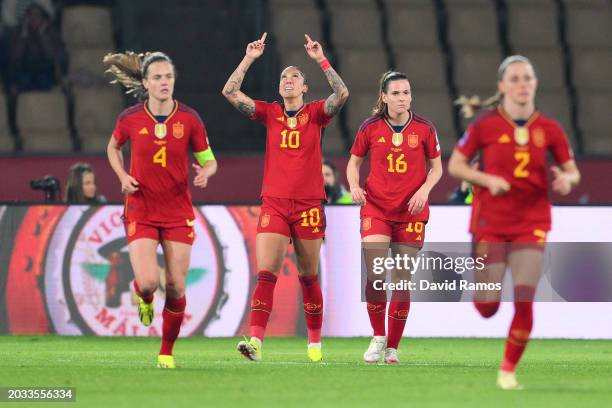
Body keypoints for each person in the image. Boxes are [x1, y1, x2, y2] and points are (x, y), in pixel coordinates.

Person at [448, 55, 580, 389]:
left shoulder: (549, 129)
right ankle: (484, 296)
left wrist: (568, 180)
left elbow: (571, 169)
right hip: (490, 222)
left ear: (535, 84)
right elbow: (456, 166)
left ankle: (507, 372)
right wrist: (486, 180)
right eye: (516, 79)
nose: (523, 84)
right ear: (502, 86)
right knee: (487, 307)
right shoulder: (485, 125)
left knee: (524, 298)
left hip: (531, 222)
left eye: (528, 78)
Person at [222, 33, 348, 362]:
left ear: (304, 88)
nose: (288, 79)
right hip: (275, 202)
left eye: (295, 76)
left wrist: (320, 58)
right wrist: (250, 57)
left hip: (308, 204)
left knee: (308, 276)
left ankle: (315, 342)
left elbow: (342, 93)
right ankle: (256, 341)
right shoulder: (269, 113)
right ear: (279, 88)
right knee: (266, 273)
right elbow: (230, 92)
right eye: (283, 76)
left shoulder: (317, 113)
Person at [104, 51, 218, 369]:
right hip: (141, 209)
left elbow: (209, 159)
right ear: (145, 83)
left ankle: (166, 352)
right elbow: (112, 146)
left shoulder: (189, 119)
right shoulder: (130, 118)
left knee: (177, 286)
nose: (164, 82)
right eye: (157, 77)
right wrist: (122, 176)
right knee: (151, 282)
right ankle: (144, 297)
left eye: (168, 76)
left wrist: (205, 172)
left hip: (178, 212)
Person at [346, 70, 443, 364]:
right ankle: (378, 336)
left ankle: (393, 348)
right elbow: (354, 163)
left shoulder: (425, 129)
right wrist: (353, 186)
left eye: (406, 93)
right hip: (376, 208)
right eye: (396, 93)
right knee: (376, 274)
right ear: (384, 97)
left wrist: (424, 190)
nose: (403, 98)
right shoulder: (370, 127)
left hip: (410, 212)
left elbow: (437, 168)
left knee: (402, 279)